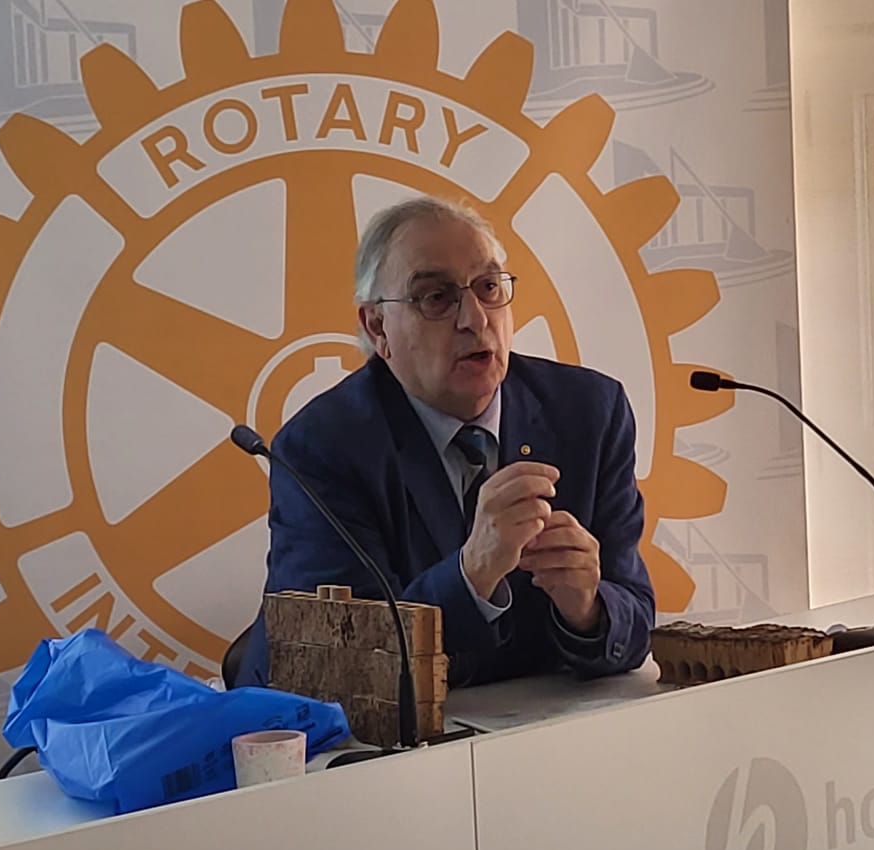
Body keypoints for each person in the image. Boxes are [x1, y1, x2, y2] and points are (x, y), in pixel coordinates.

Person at [232, 196, 654, 688]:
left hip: (538, 724)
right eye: (436, 297)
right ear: (378, 327)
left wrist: (588, 609)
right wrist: (471, 574)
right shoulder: (320, 448)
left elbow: (635, 617)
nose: (475, 319)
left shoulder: (589, 413)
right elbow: (341, 664)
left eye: (489, 288)